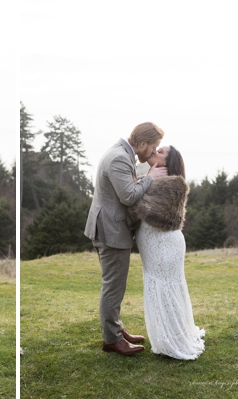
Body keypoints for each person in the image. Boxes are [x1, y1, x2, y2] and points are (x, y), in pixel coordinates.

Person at [83, 122, 168, 355]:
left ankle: (116, 329)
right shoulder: (119, 158)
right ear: (142, 143)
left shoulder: (121, 153)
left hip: (110, 228)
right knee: (113, 287)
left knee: (115, 285)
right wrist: (150, 177)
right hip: (111, 231)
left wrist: (144, 177)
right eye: (153, 147)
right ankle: (112, 339)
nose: (153, 152)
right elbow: (129, 196)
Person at [128, 146, 205, 359]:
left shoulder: (175, 184)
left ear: (168, 162)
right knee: (158, 287)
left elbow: (147, 209)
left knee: (165, 288)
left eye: (160, 151)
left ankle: (174, 340)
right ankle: (168, 335)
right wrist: (144, 180)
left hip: (165, 244)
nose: (154, 151)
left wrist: (135, 188)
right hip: (151, 243)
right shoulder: (150, 178)